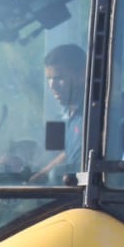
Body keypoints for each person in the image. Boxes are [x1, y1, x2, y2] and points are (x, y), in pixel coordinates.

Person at [32, 44, 86, 183]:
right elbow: (66, 154)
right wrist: (41, 174)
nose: (52, 85)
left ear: (82, 74)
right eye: (49, 79)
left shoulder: (106, 106)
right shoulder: (62, 117)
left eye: (58, 78)